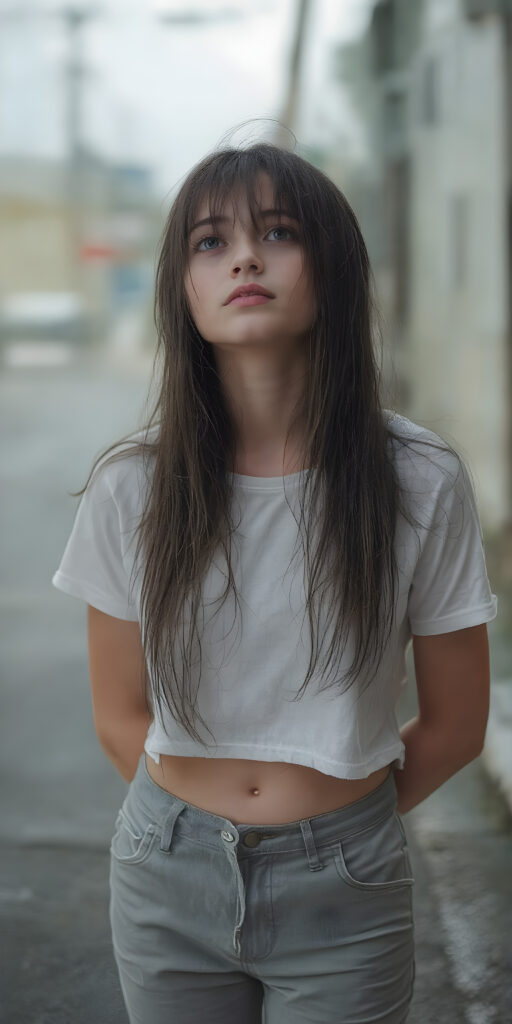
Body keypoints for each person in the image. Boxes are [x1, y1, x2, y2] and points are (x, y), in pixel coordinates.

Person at [51, 138, 498, 1024]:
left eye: (280, 232)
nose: (245, 258)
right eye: (211, 242)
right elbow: (118, 713)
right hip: (166, 877)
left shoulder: (417, 477)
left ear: (336, 268)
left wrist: (337, 829)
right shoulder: (132, 485)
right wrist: (190, 829)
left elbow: (456, 724)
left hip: (346, 886)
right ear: (181, 288)